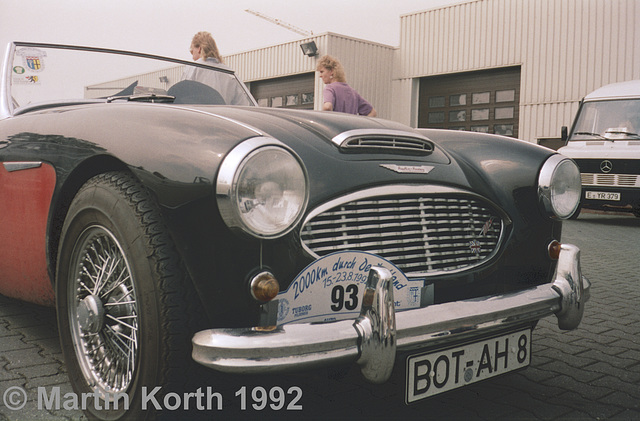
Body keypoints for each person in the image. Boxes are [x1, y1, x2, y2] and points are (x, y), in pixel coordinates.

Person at [181, 31, 250, 105]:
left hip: (199, 115)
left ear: (199, 49)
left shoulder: (192, 68)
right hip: (223, 115)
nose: (192, 56)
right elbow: (242, 103)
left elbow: (182, 97)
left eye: (192, 51)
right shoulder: (230, 73)